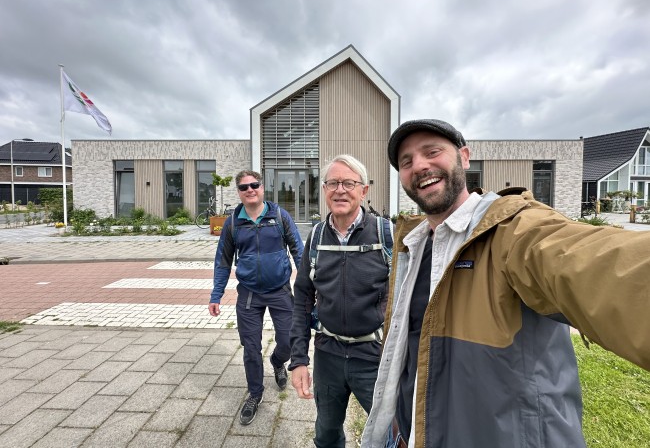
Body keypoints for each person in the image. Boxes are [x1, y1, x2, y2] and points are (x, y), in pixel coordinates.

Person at [362, 119, 650, 448]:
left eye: (432, 152)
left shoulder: (513, 231)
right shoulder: (412, 244)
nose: (420, 166)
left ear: (464, 157)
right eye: (406, 161)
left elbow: (595, 263)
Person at [290, 154, 393, 448]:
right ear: (324, 190)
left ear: (364, 190)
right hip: (328, 355)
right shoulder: (316, 237)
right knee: (326, 433)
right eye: (332, 183)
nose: (340, 190)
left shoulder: (387, 235)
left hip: (373, 356)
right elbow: (302, 299)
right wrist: (298, 359)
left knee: (389, 434)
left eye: (349, 183)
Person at [209, 170, 304, 425]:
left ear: (263, 187)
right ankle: (255, 393)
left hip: (280, 290)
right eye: (244, 187)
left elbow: (298, 251)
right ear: (239, 192)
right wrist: (216, 294)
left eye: (255, 185)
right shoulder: (232, 223)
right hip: (249, 293)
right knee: (251, 348)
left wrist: (309, 288)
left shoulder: (280, 216)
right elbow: (223, 261)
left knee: (288, 341)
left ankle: (276, 362)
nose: (250, 190)